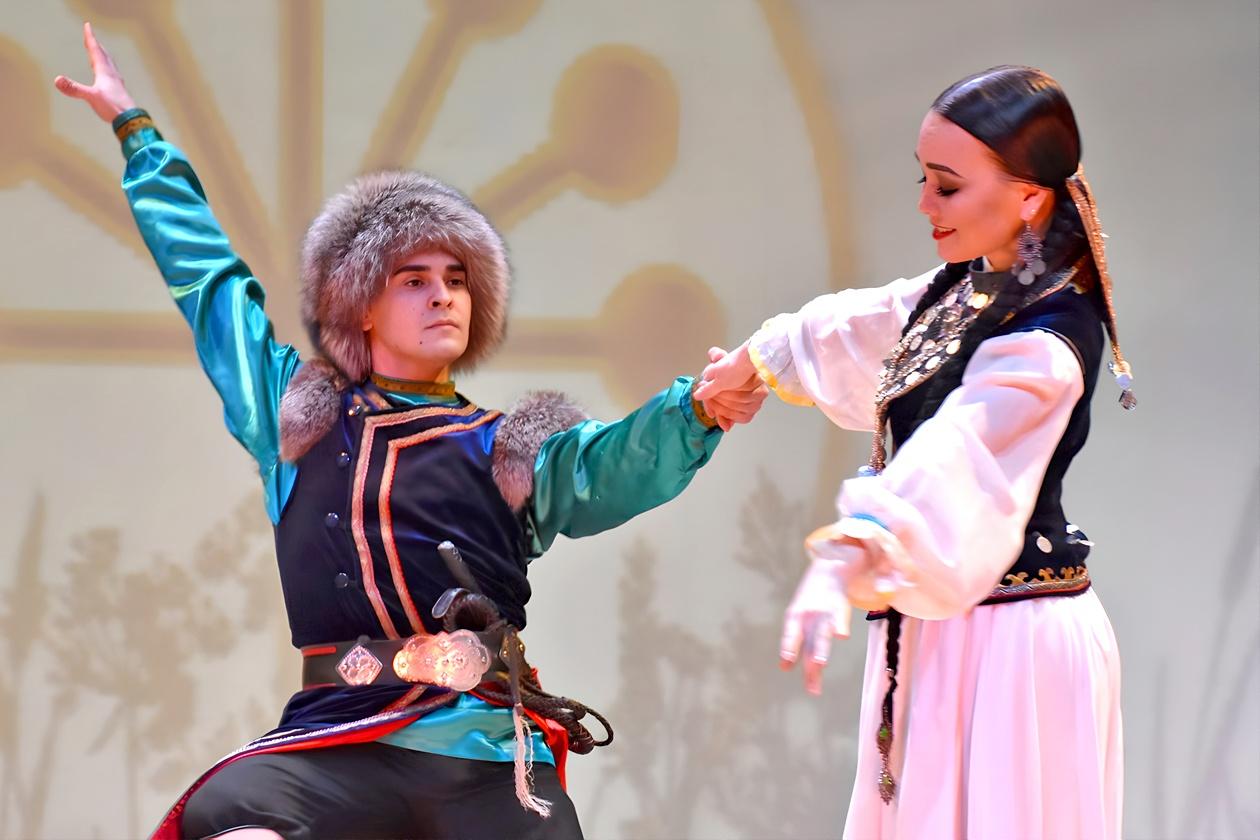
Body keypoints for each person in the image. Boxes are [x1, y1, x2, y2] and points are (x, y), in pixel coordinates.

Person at [55, 21, 765, 840]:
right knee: (231, 815)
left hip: (485, 759)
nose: (442, 296)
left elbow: (608, 465)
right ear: (361, 303)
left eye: (457, 280)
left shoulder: (508, 447)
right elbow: (210, 280)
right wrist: (137, 135)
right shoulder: (296, 419)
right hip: (337, 747)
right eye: (414, 279)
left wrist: (696, 409)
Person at [696, 65, 1129, 839]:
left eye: (947, 186)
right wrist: (755, 362)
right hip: (946, 631)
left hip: (1012, 650)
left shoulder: (1046, 344)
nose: (925, 203)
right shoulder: (966, 289)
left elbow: (959, 454)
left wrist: (850, 553)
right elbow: (861, 326)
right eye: (923, 179)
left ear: (1029, 198)